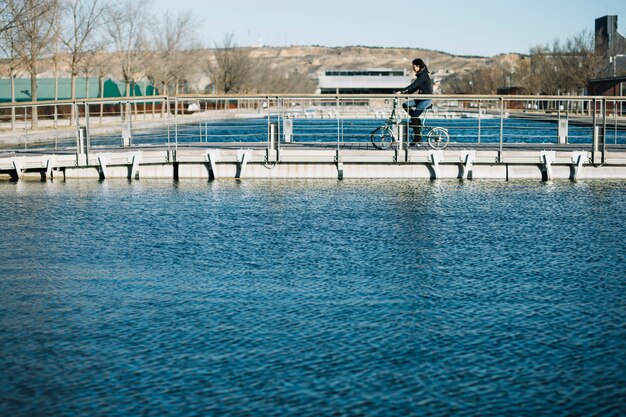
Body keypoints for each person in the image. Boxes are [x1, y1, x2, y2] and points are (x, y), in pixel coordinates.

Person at [396, 58, 433, 144]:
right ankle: (417, 122)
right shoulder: (421, 75)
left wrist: (402, 91)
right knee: (405, 105)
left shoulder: (423, 75)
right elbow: (415, 87)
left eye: (414, 67)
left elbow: (414, 85)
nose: (413, 69)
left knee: (414, 117)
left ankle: (418, 139)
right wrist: (405, 93)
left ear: (418, 66)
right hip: (421, 99)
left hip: (426, 100)